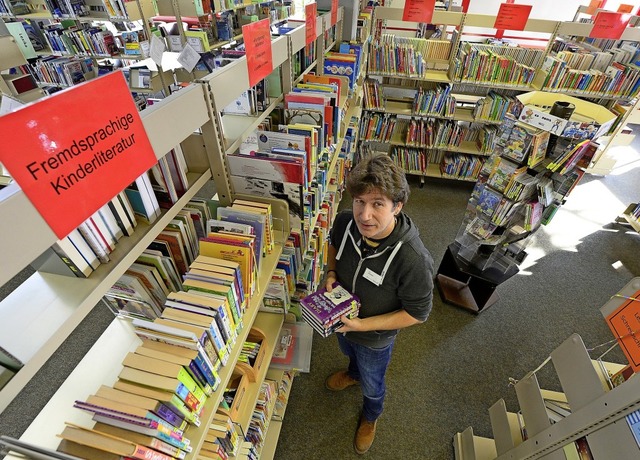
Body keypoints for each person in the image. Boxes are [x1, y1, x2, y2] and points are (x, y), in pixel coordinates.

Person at [324, 154, 434, 455]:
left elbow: (417, 314)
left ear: (397, 207)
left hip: (374, 338)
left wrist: (362, 326)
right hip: (341, 322)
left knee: (373, 383)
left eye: (378, 204)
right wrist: (331, 272)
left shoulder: (414, 259)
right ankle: (352, 374)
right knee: (349, 353)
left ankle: (371, 416)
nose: (365, 215)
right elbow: (333, 241)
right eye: (360, 201)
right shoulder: (346, 219)